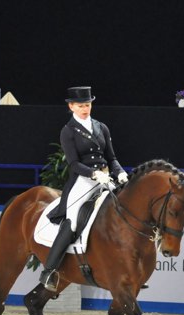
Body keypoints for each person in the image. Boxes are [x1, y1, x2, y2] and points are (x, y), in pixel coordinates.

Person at [40, 86, 128, 291]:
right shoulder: (68, 131)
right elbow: (73, 164)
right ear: (71, 106)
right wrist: (94, 174)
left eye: (87, 105)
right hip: (83, 180)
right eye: (80, 106)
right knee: (72, 221)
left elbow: (111, 157)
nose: (85, 109)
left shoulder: (101, 127)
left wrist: (120, 172)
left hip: (105, 178)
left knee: (124, 211)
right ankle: (49, 271)